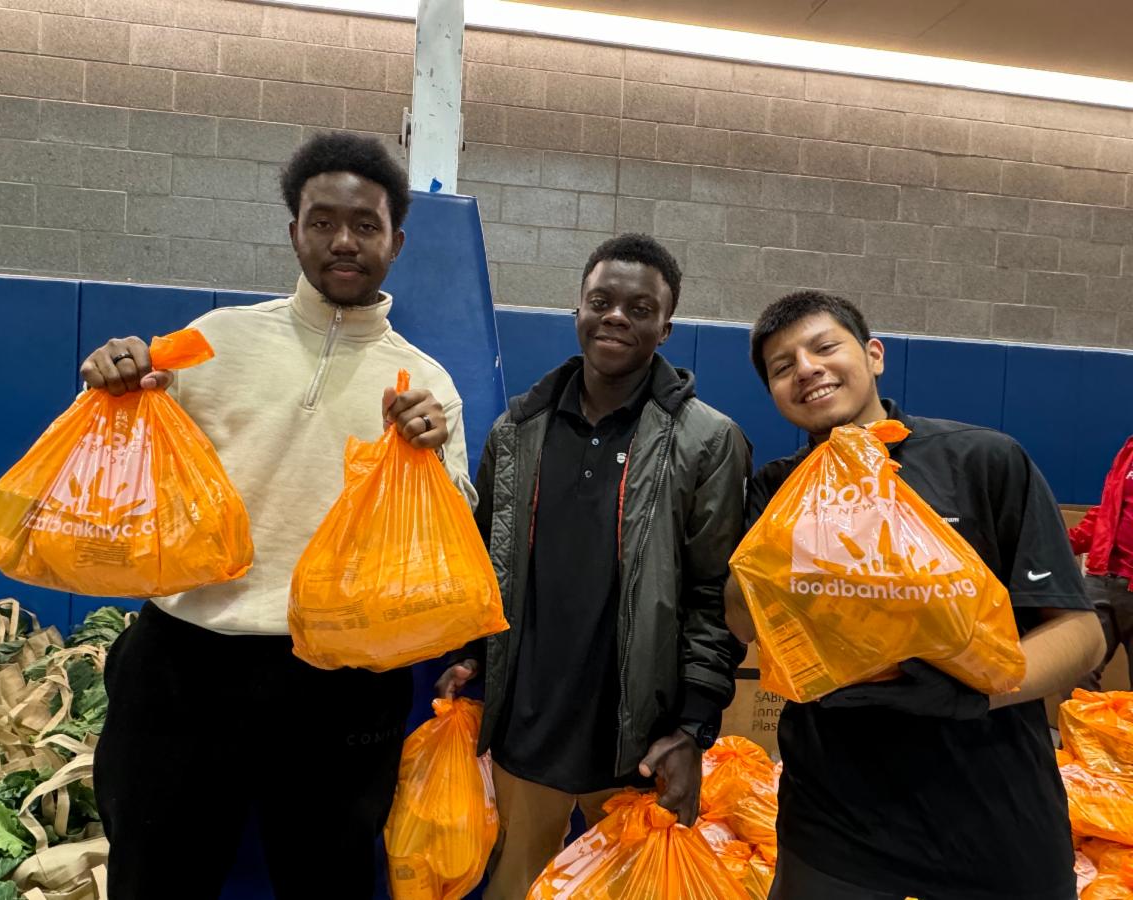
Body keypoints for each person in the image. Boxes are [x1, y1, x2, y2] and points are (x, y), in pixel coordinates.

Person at [88, 132, 476, 899]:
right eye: (321, 220)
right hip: (187, 660)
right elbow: (123, 455)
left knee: (326, 881)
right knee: (154, 877)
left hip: (340, 684)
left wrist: (428, 453)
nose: (342, 240)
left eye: (365, 225)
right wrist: (112, 380)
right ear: (293, 231)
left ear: (396, 241)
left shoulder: (427, 383)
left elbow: (451, 528)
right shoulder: (211, 343)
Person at [725, 290, 1104, 900]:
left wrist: (977, 691)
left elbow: (1081, 635)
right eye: (782, 365)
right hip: (834, 825)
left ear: (874, 355)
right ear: (774, 392)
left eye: (825, 347)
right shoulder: (775, 493)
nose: (806, 368)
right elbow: (742, 624)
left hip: (993, 817)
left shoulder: (983, 460)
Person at [436, 233, 751, 899]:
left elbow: (710, 599)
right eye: (601, 301)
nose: (616, 316)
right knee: (514, 886)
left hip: (636, 738)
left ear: (666, 327)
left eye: (640, 309)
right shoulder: (516, 429)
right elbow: (486, 559)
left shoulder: (709, 440)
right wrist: (472, 650)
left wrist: (692, 729)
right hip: (528, 726)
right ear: (575, 310)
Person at [1069, 434, 1133, 690]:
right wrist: (1063, 544)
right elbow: (1108, 509)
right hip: (1101, 577)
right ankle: (1088, 731)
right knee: (1075, 670)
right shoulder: (1129, 449)